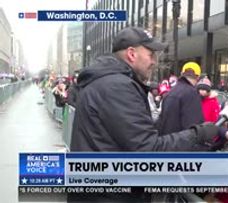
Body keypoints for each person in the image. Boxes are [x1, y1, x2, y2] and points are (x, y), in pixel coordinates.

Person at [69, 27, 220, 202]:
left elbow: (128, 137)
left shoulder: (110, 82)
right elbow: (148, 151)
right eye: (151, 54)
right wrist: (198, 133)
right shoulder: (117, 86)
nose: (154, 61)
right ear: (132, 54)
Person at [156, 61, 204, 136]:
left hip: (166, 141)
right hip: (182, 143)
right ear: (198, 77)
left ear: (182, 74)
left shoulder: (170, 92)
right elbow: (194, 127)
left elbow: (161, 121)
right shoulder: (192, 94)